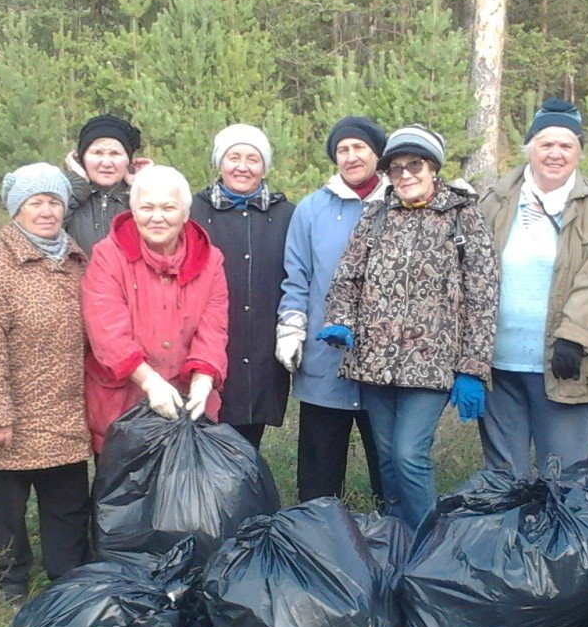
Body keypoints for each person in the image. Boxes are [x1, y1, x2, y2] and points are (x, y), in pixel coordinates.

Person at [321, 126, 499, 530]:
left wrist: (472, 368)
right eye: (395, 168)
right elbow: (348, 277)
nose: (404, 175)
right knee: (385, 456)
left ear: (434, 167)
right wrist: (341, 322)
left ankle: (427, 544)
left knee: (408, 454)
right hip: (375, 361)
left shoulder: (463, 216)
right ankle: (395, 539)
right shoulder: (377, 213)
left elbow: (483, 294)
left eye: (414, 165)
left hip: (431, 364)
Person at [0, 164, 92, 607]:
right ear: (17, 209)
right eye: (35, 202)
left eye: (54, 201)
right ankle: (11, 582)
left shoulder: (77, 262)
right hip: (10, 414)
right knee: (6, 513)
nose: (46, 210)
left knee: (67, 506)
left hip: (65, 411)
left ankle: (68, 580)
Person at [478, 98, 588, 477]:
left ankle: (562, 538)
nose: (555, 154)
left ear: (578, 153)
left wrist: (572, 338)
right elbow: (473, 271)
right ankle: (507, 537)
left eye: (566, 145)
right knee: (505, 476)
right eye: (546, 144)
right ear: (530, 149)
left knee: (563, 474)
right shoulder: (495, 199)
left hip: (563, 364)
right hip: (499, 363)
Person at [277, 117, 388, 503]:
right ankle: (317, 543)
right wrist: (291, 329)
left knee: (390, 471)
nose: (352, 156)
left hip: (386, 365)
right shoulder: (311, 210)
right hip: (326, 360)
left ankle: (396, 544)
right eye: (343, 149)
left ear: (377, 153)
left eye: (360, 148)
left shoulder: (399, 203)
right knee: (318, 474)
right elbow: (297, 277)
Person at [80, 165, 229, 451]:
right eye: (147, 207)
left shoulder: (210, 260)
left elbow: (214, 327)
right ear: (133, 211)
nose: (157, 217)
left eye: (168, 208)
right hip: (122, 406)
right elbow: (107, 332)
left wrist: (203, 379)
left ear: (185, 214)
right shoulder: (107, 256)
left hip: (188, 405)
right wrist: (151, 383)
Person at [189, 123, 295, 448]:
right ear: (219, 162)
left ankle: (246, 497)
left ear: (264, 166)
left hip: (263, 350)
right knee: (204, 439)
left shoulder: (287, 215)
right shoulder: (193, 211)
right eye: (234, 157)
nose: (243, 166)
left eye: (253, 159)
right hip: (208, 345)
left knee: (249, 442)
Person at [64, 114, 146, 256]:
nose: (106, 163)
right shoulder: (63, 196)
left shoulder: (137, 200)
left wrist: (143, 186)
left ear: (129, 160)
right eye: (97, 153)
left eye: (115, 153)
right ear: (81, 158)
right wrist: (78, 186)